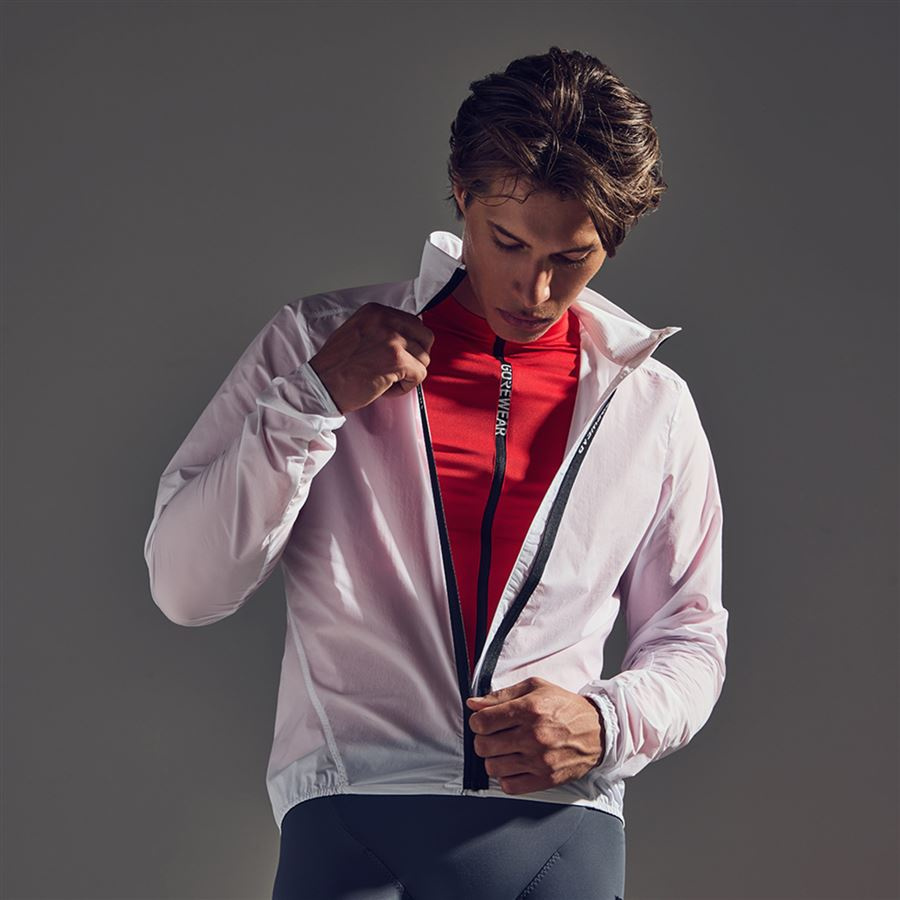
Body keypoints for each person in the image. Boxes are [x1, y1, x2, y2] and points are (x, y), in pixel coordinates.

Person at [143, 46, 728, 900]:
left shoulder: (652, 405)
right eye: (508, 241)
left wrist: (605, 722)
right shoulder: (317, 342)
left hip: (563, 835)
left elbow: (690, 637)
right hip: (353, 821)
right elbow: (185, 587)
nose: (534, 288)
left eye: (572, 257)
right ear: (461, 193)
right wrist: (313, 398)